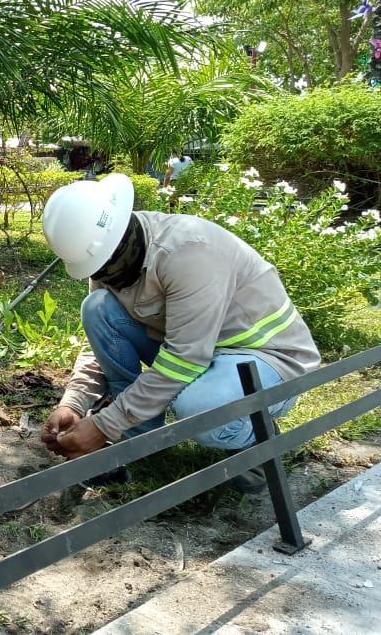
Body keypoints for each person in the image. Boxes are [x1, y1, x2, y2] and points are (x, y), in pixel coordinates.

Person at [38, 174, 320, 492]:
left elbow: (184, 359)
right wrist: (73, 404)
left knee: (196, 410)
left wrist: (103, 424)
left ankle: (255, 436)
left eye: (105, 266)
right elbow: (102, 344)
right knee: (97, 307)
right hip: (199, 348)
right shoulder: (109, 260)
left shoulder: (188, 253)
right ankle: (136, 436)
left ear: (121, 235)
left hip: (267, 357)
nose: (103, 275)